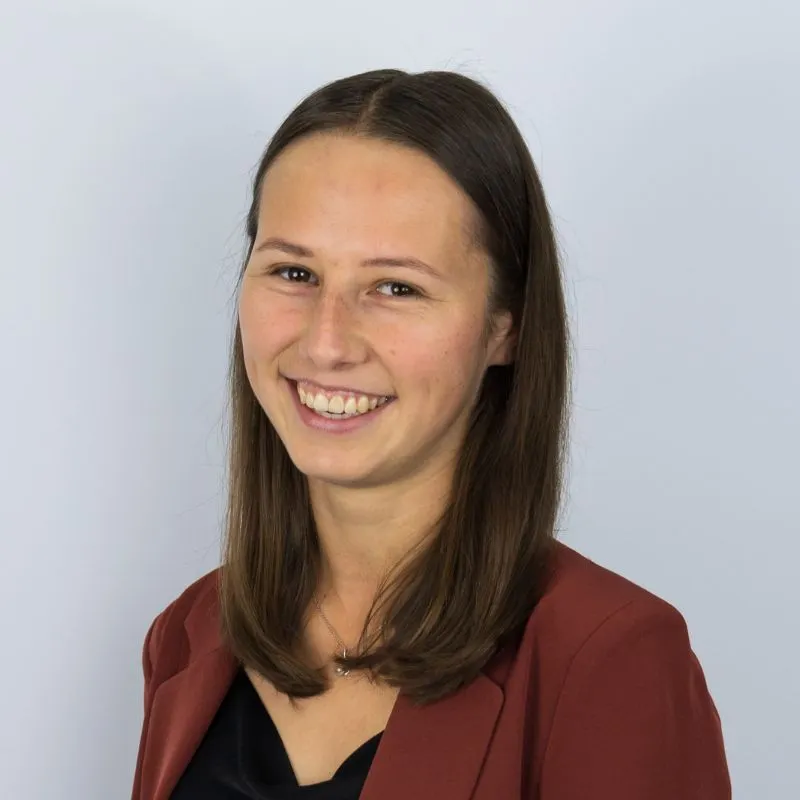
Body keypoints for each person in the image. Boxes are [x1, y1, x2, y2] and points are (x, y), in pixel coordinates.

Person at [130, 68, 731, 800]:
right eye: (294, 272)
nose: (326, 343)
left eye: (396, 287)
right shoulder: (189, 634)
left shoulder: (611, 658)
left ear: (506, 326)